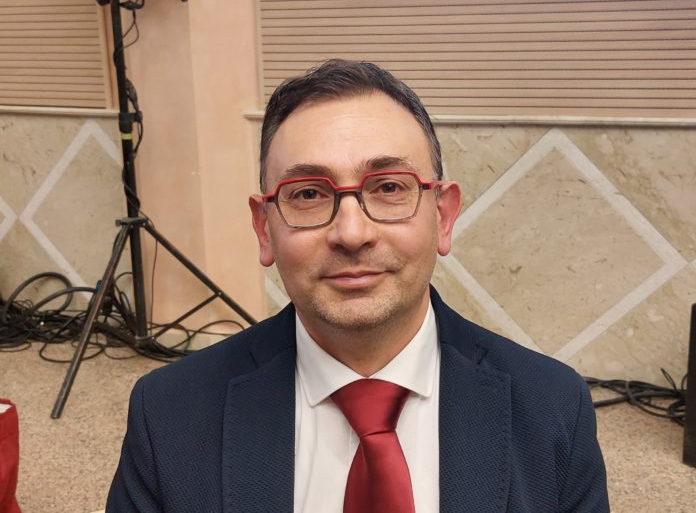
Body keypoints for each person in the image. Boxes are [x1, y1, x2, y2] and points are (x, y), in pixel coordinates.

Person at [106, 59, 609, 512]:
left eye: (389, 187)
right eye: (308, 193)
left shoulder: (554, 409)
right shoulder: (168, 414)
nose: (351, 233)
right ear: (264, 229)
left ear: (443, 216)